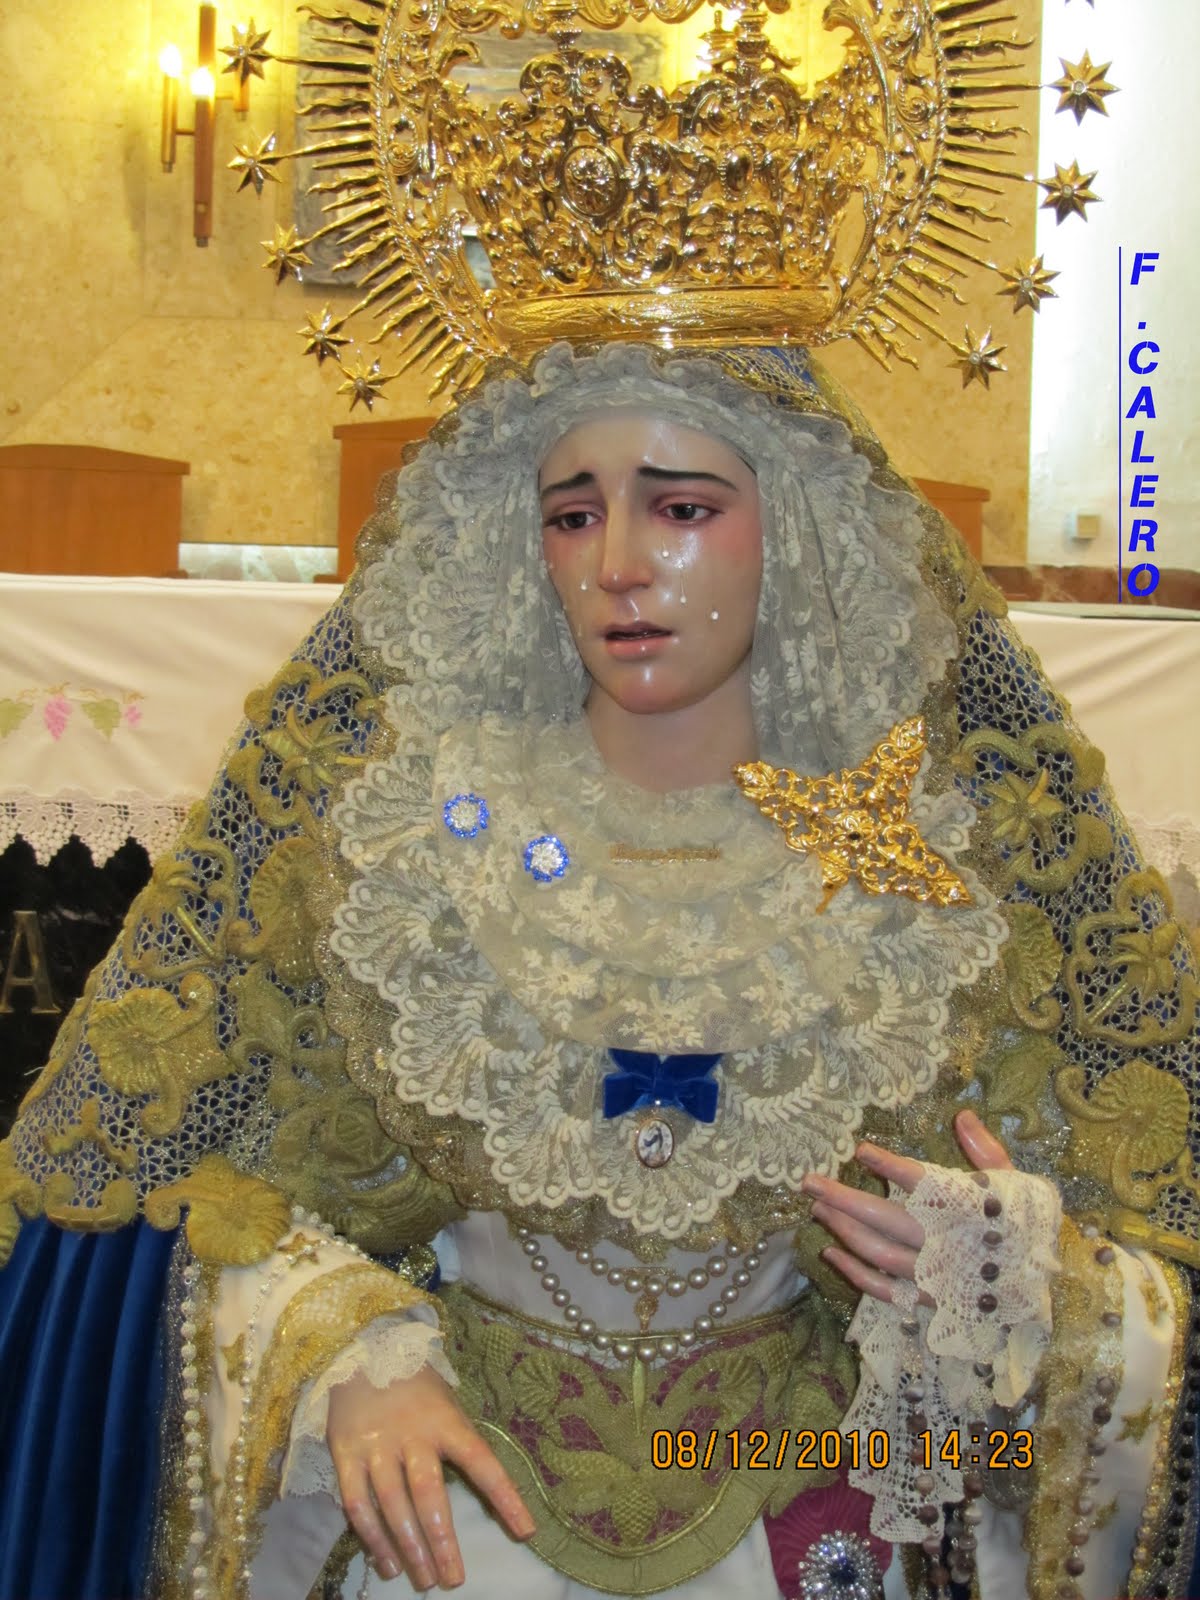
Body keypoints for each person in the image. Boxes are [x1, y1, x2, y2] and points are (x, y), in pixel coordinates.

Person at [0, 343, 1196, 1600]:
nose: (618, 562)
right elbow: (142, 1198)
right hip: (446, 1527)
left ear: (797, 531)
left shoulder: (945, 879)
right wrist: (339, 1347)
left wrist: (1026, 1291)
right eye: (572, 515)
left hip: (814, 1515)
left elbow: (1144, 1254)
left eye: (682, 507)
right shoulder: (394, 847)